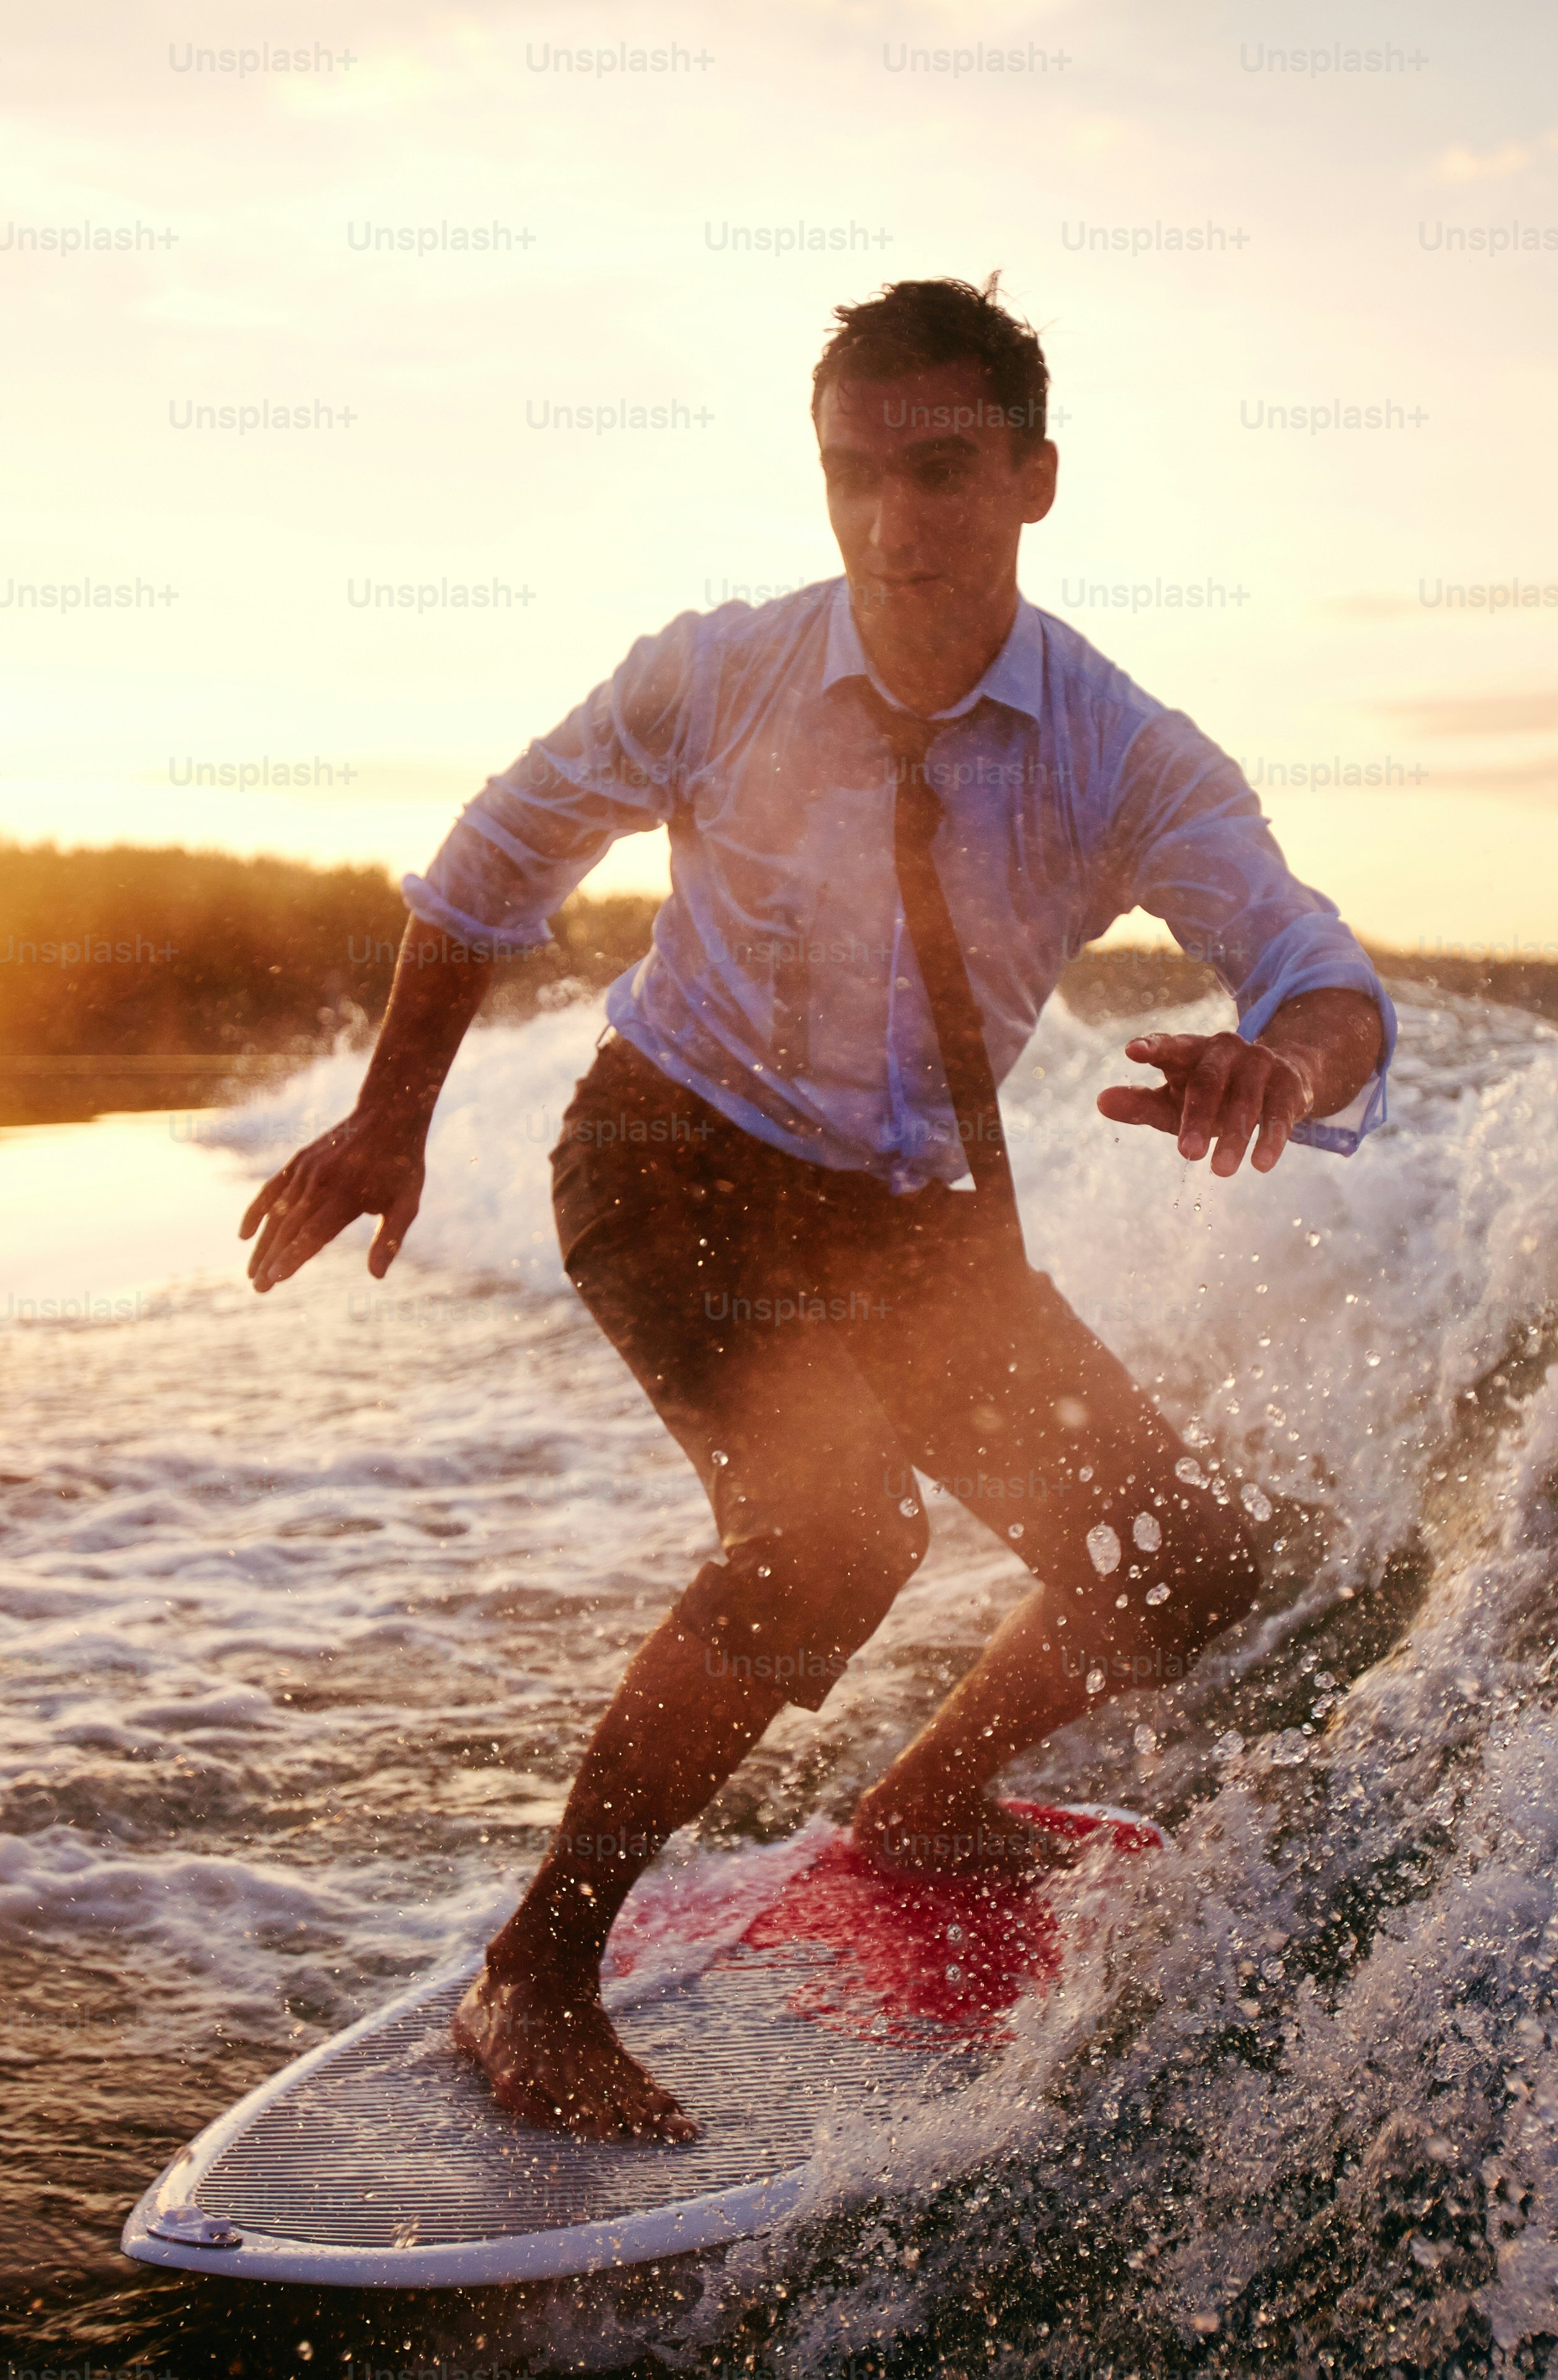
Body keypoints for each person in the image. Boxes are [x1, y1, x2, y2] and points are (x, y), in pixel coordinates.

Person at [238, 276, 1394, 2142]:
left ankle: (927, 1803)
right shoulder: (721, 673)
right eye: (852, 475)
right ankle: (533, 1967)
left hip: (903, 1211)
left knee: (1184, 1549)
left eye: (940, 472)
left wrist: (1289, 1068)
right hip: (667, 1153)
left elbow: (1317, 973)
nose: (889, 524)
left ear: (1034, 478)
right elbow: (496, 854)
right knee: (833, 1536)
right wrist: (391, 1111)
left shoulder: (1123, 752)